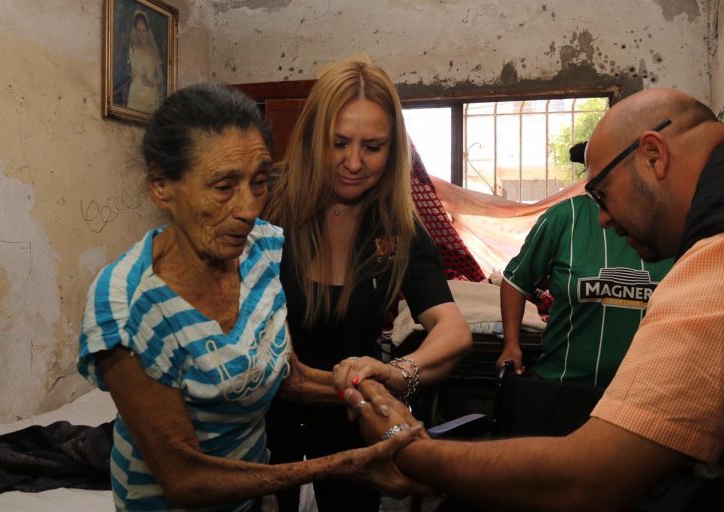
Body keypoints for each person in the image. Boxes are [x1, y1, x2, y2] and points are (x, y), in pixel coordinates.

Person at [345, 87, 724, 511]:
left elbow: (588, 478)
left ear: (653, 156)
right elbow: (514, 281)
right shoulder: (574, 222)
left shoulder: (713, 266)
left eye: (601, 192)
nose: (602, 216)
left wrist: (410, 450)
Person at [77, 83, 425, 512]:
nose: (248, 208)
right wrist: (343, 465)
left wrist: (377, 396)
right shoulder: (127, 306)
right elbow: (185, 479)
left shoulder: (260, 249)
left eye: (259, 182)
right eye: (224, 187)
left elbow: (289, 377)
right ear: (161, 186)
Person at [263, 60, 472, 512]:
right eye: (339, 143)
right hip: (261, 432)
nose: (354, 163)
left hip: (353, 429)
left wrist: (399, 373)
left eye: (373, 147)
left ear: (394, 150)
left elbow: (454, 332)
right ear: (313, 136)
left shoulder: (398, 230)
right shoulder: (266, 206)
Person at [498, 142, 672, 388]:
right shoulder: (564, 218)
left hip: (645, 393)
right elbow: (516, 280)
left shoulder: (672, 225)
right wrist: (511, 344)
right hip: (564, 385)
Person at [127, 11, 163, 113]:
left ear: (148, 30)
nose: (141, 34)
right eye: (138, 31)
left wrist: (151, 83)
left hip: (149, 93)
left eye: (144, 30)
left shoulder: (153, 52)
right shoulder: (133, 48)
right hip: (134, 92)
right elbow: (131, 68)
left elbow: (161, 78)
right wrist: (130, 74)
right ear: (135, 31)